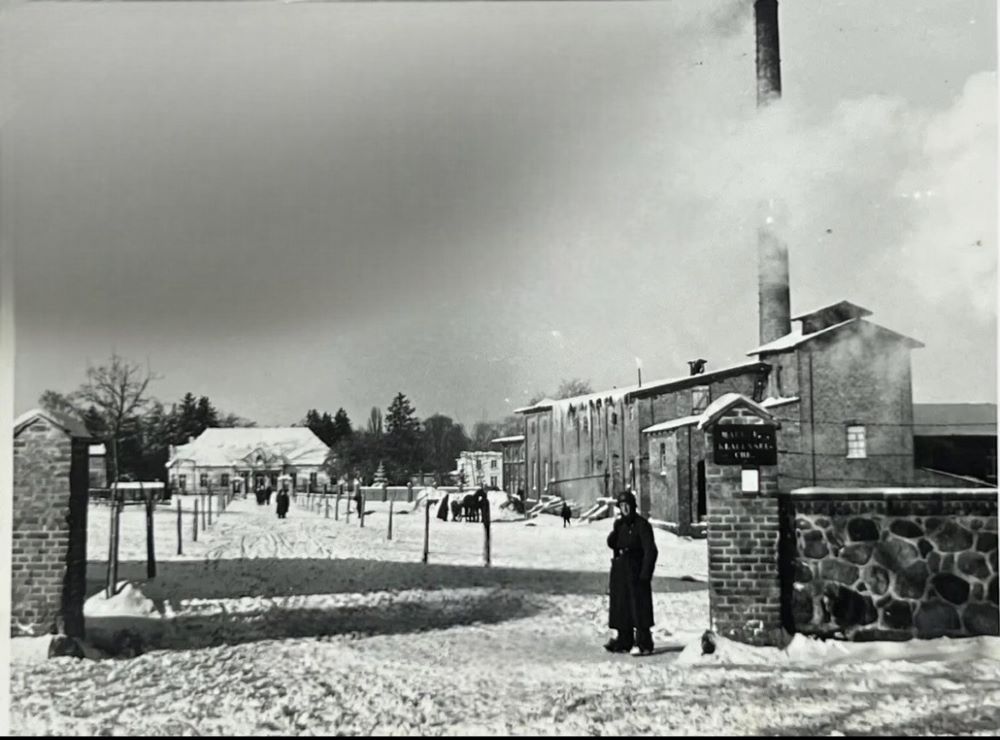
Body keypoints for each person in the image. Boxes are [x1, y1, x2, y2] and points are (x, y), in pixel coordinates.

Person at [605, 489, 658, 656]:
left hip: (636, 570)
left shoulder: (642, 525)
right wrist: (615, 530)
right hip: (621, 570)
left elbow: (650, 551)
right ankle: (624, 640)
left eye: (627, 505)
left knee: (639, 607)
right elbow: (613, 543)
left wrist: (645, 574)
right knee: (621, 605)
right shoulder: (620, 525)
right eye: (622, 506)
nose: (625, 509)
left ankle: (644, 643)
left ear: (633, 506)